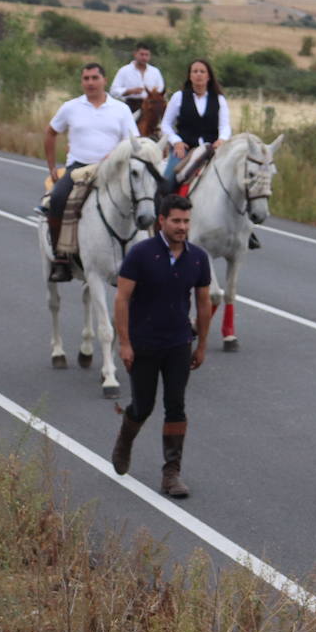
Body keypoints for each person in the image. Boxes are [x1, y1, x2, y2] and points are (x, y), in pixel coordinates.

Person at [110, 194, 212, 498]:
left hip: (179, 342)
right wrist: (125, 343)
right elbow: (122, 299)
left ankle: (171, 473)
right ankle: (125, 439)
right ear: (162, 222)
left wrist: (202, 344)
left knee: (176, 405)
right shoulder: (141, 254)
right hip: (144, 344)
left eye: (186, 221)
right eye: (176, 221)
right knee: (143, 406)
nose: (182, 227)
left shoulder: (197, 257)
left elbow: (204, 303)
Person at [43, 62, 139, 282]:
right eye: (86, 78)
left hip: (112, 169)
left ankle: (144, 255)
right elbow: (50, 133)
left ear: (104, 80)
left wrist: (114, 156)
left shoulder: (121, 109)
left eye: (95, 78)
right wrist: (51, 167)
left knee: (142, 199)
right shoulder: (70, 107)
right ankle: (61, 258)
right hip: (79, 169)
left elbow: (133, 141)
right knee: (57, 199)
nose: (90, 83)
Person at [160, 58, 231, 182]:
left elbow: (224, 126)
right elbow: (166, 124)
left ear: (208, 76)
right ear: (190, 76)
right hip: (184, 149)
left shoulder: (219, 99)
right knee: (168, 181)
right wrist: (177, 142)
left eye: (202, 71)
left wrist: (221, 140)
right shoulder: (179, 97)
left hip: (211, 149)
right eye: (195, 71)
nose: (198, 74)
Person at [110, 43, 165, 115]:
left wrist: (153, 93)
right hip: (131, 105)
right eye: (142, 54)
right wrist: (129, 91)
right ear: (135, 54)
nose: (144, 57)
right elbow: (113, 90)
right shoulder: (124, 70)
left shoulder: (155, 72)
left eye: (147, 55)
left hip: (150, 107)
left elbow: (161, 89)